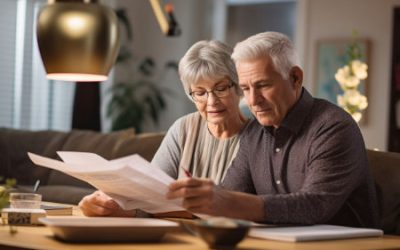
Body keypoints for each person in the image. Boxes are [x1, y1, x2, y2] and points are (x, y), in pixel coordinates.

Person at [166, 32, 380, 228]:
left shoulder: (333, 127)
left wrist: (227, 202)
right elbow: (228, 195)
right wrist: (207, 200)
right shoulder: (254, 134)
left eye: (263, 86)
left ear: (295, 78)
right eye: (245, 88)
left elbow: (315, 205)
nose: (252, 101)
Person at [79, 40, 248, 217]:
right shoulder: (183, 128)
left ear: (238, 87)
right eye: (200, 93)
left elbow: (246, 207)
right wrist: (109, 205)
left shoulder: (259, 137)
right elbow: (149, 196)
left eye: (221, 89)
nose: (212, 102)